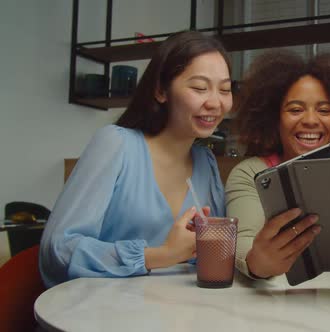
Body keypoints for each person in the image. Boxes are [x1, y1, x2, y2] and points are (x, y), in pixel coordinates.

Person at [39, 31, 232, 287]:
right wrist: (158, 256)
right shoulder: (116, 144)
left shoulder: (206, 162)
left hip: (175, 315)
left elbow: (209, 256)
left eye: (226, 89)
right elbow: (58, 249)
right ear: (161, 91)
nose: (216, 102)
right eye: (199, 88)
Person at [225, 49, 330, 279]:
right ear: (274, 118)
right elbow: (243, 241)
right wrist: (257, 262)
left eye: (324, 110)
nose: (309, 120)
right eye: (295, 110)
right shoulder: (251, 173)